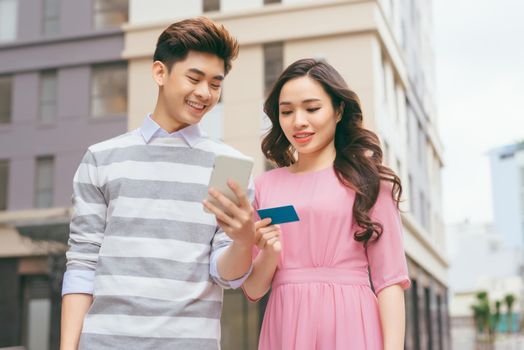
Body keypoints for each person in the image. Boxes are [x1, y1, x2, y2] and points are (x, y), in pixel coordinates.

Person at [60, 17, 257, 350]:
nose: (204, 93)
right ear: (160, 73)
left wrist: (242, 242)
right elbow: (83, 262)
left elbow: (226, 275)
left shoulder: (229, 168)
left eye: (215, 83)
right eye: (194, 78)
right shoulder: (102, 158)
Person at [243, 58, 411, 349]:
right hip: (286, 325)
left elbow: (390, 281)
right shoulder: (264, 186)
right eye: (287, 112)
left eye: (312, 108)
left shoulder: (371, 181)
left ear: (338, 110)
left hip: (353, 323)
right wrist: (269, 253)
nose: (298, 121)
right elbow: (253, 288)